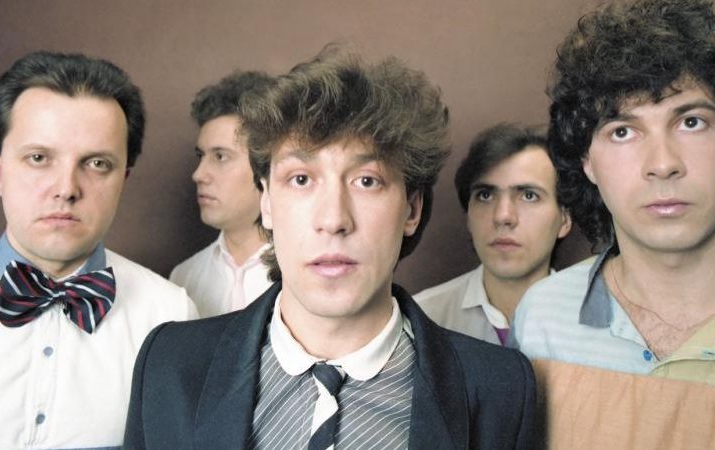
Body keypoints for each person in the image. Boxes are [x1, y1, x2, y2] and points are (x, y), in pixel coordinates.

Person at [124, 48, 536, 449]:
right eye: (301, 179)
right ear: (266, 203)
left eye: (367, 181)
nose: (334, 219)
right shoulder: (169, 364)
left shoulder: (499, 390)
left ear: (412, 209)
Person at [509, 0, 715, 396]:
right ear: (587, 161)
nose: (663, 164)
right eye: (623, 132)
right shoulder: (541, 319)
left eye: (691, 122)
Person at [0, 51, 199, 449]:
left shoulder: (171, 316)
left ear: (122, 180)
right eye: (38, 158)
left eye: (96, 164)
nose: (66, 188)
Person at [416, 124, 571, 346]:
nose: (502, 216)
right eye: (485, 195)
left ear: (564, 219)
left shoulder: (602, 324)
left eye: (529, 195)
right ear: (468, 216)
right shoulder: (421, 320)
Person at [170, 70, 275, 317]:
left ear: (268, 165)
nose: (198, 174)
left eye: (221, 156)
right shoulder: (183, 278)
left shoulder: (307, 271)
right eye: (201, 156)